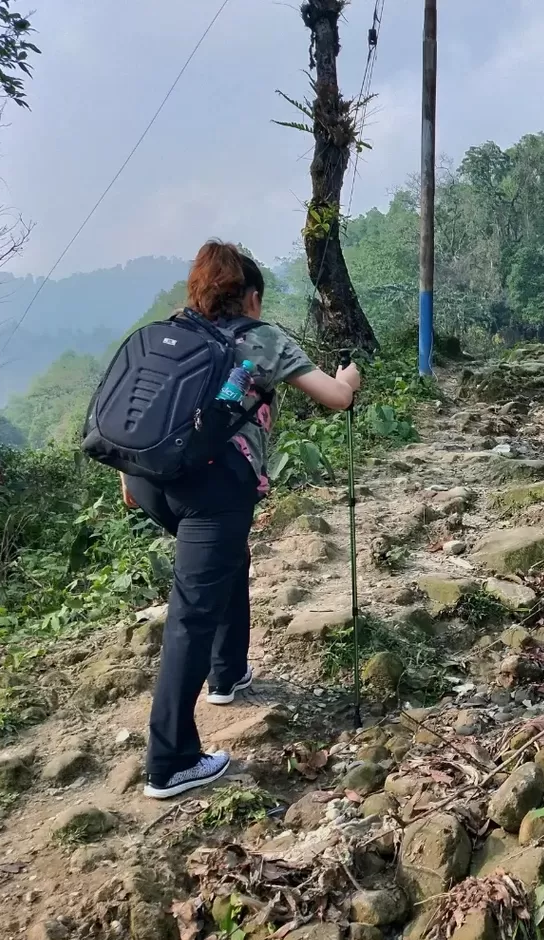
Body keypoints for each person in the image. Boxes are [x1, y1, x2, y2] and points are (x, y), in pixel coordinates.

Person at [122, 241, 364, 800]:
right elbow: (334, 399)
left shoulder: (170, 332)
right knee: (191, 612)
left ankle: (227, 675)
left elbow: (136, 410)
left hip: (148, 480)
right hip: (213, 488)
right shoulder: (261, 337)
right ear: (250, 297)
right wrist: (349, 376)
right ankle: (170, 762)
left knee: (226, 561)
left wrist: (131, 480)